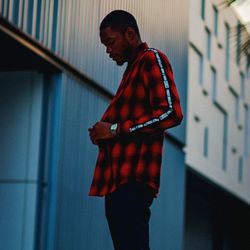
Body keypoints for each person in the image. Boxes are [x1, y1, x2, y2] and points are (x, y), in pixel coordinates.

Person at [88, 10, 183, 250]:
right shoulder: (132, 70)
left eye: (110, 43)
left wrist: (115, 129)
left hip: (134, 180)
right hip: (119, 180)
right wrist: (102, 133)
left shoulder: (151, 59)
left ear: (130, 34)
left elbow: (170, 112)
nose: (108, 51)